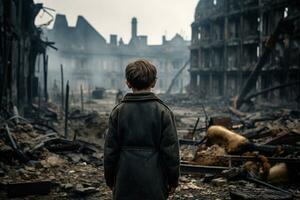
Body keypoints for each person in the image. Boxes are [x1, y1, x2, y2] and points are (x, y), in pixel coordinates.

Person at [104, 59, 180, 200]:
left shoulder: (118, 112)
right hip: (155, 181)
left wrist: (109, 179)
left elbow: (110, 151)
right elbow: (171, 152)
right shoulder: (163, 112)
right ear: (154, 83)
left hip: (124, 179)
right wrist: (173, 181)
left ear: (128, 83)